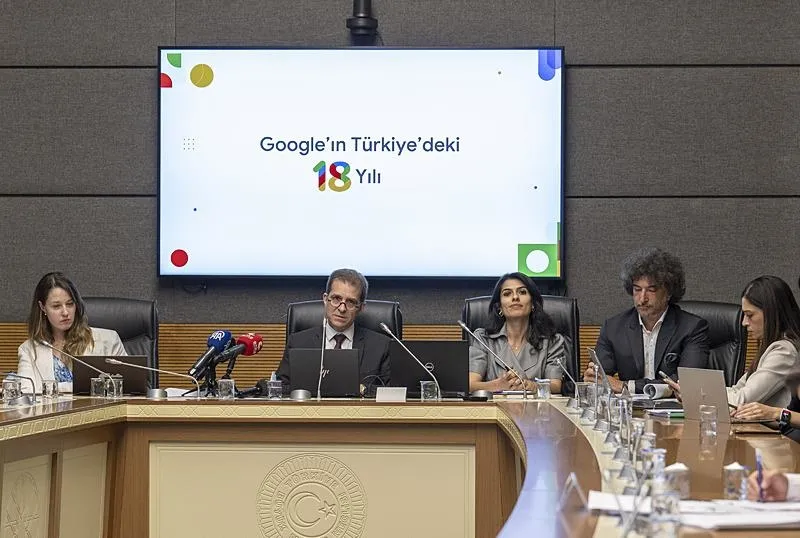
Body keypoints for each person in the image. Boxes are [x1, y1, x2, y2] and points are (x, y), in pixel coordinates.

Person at [583, 248, 709, 394]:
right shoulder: (613, 327)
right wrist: (593, 377)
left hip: (673, 406)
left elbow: (688, 383)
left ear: (668, 292)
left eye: (651, 290)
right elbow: (600, 378)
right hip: (629, 407)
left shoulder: (692, 328)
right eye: (637, 290)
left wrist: (626, 386)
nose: (642, 299)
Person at [276, 268, 390, 393]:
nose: (342, 309)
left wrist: (361, 389)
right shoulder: (298, 343)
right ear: (325, 299)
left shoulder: (381, 346)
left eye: (351, 302)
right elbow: (280, 389)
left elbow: (393, 391)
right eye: (336, 299)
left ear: (361, 307)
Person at [17, 272, 126, 393]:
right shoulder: (29, 350)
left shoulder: (109, 340)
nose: (65, 312)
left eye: (70, 304)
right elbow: (25, 392)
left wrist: (53, 388)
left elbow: (126, 385)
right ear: (42, 307)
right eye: (56, 306)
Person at [468, 272, 566, 394]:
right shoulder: (483, 339)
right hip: (495, 406)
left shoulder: (552, 341)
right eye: (507, 293)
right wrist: (498, 385)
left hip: (536, 406)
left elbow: (556, 386)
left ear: (533, 304)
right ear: (499, 307)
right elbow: (470, 385)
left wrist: (532, 386)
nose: (515, 297)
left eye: (522, 292)